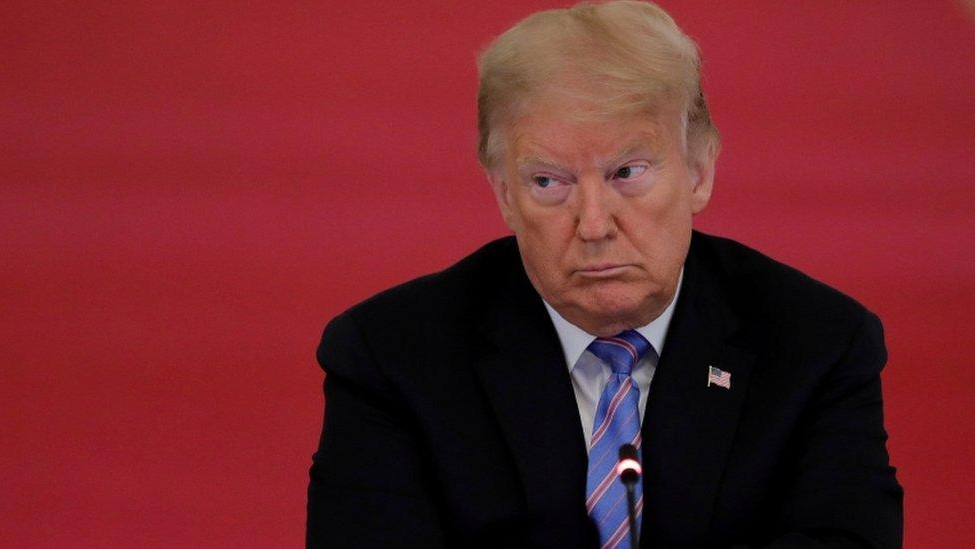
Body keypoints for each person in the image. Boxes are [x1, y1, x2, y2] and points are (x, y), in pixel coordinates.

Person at [306, 1, 903, 547]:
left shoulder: (816, 344)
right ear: (503, 194)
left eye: (627, 172)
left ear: (698, 171)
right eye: (548, 182)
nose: (593, 224)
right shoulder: (392, 356)